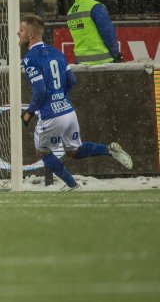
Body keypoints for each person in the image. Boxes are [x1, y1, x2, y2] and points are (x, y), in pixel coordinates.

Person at [17, 14, 133, 190]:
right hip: (68, 111)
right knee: (73, 151)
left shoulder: (30, 58)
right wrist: (60, 97)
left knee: (42, 152)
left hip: (51, 115)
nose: (18, 33)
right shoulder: (57, 52)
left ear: (31, 35)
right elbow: (72, 80)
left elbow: (40, 91)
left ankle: (72, 185)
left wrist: (29, 113)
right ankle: (109, 149)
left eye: (22, 30)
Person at [66, 0, 122, 64]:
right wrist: (116, 54)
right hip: (102, 61)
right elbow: (107, 33)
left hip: (81, 62)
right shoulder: (96, 7)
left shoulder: (71, 10)